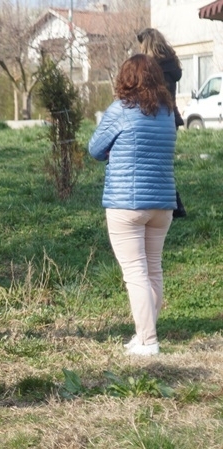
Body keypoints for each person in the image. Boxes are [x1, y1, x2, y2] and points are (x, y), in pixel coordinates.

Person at [88, 54, 177, 356]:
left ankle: (149, 342)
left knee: (136, 274)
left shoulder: (120, 110)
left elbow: (95, 149)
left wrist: (114, 150)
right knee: (153, 271)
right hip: (163, 203)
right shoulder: (167, 113)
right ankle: (143, 335)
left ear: (124, 79)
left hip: (126, 203)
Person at [138, 27, 187, 218]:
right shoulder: (170, 65)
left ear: (147, 44)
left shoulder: (155, 69)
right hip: (170, 119)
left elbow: (155, 96)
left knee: (155, 165)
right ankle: (173, 207)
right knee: (162, 165)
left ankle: (174, 207)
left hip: (156, 118)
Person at [137, 28, 184, 129]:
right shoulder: (171, 63)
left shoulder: (150, 67)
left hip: (153, 117)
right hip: (171, 117)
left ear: (146, 46)